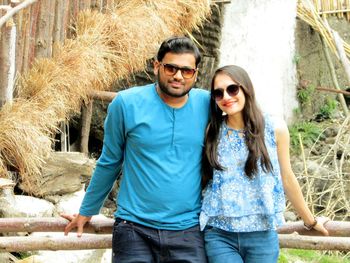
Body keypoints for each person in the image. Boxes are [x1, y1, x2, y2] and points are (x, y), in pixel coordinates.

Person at [62, 36, 210, 263]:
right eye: (171, 68)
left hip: (187, 228)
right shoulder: (126, 103)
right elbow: (110, 161)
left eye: (186, 71)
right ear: (156, 65)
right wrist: (87, 210)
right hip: (134, 228)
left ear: (196, 74)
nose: (178, 76)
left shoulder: (208, 105)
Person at [200, 65, 329, 263]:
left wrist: (310, 221)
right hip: (219, 234)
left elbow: (287, 177)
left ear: (246, 89)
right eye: (218, 93)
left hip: (262, 234)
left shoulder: (275, 128)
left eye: (232, 89)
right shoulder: (212, 131)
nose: (226, 96)